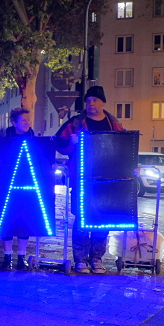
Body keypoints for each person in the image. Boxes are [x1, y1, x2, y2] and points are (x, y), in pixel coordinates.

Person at [55, 86, 125, 274]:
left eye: (95, 100)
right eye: (88, 101)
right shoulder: (76, 123)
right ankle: (80, 260)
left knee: (102, 220)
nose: (91, 104)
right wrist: (71, 142)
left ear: (103, 102)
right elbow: (59, 144)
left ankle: (97, 259)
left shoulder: (115, 125)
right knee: (81, 219)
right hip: (82, 179)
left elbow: (123, 148)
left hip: (106, 180)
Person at [0, 107, 35, 270]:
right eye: (24, 120)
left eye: (28, 120)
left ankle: (21, 256)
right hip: (8, 184)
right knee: (7, 220)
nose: (27, 123)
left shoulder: (34, 138)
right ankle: (7, 257)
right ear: (14, 123)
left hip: (27, 184)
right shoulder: (4, 140)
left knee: (25, 220)